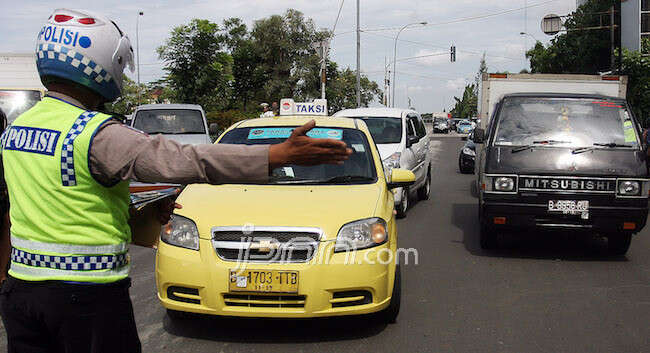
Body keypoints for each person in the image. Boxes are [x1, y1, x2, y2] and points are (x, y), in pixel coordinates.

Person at [0, 9, 351, 353]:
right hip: (85, 299)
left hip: (22, 294)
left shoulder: (18, 130)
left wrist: (142, 218)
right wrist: (275, 156)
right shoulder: (94, 134)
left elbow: (59, 207)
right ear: (96, 65)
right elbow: (183, 160)